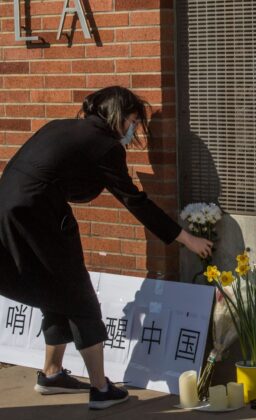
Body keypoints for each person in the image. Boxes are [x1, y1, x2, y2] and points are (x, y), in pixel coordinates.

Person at [0, 86, 213, 409]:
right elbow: (135, 202)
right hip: (37, 217)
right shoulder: (103, 146)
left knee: (53, 290)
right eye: (131, 121)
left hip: (9, 210)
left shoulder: (60, 127)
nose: (132, 130)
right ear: (118, 116)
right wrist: (186, 238)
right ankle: (100, 388)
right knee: (79, 295)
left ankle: (52, 372)